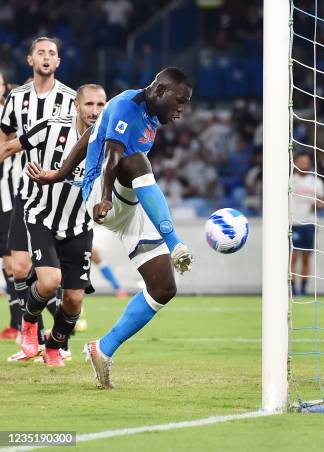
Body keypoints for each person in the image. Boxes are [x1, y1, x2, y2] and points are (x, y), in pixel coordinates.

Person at [27, 67, 193, 388]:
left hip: (129, 204)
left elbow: (91, 135)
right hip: (104, 195)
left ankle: (102, 349)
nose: (182, 109)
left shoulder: (150, 114)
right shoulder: (124, 106)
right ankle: (176, 243)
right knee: (137, 161)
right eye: (179, 101)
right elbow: (113, 153)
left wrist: (60, 172)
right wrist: (102, 196)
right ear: (160, 91)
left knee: (163, 288)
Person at [0, 84, 106, 365]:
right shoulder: (51, 127)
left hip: (79, 225)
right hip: (41, 216)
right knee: (49, 281)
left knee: (73, 300)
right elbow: (10, 146)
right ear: (76, 106)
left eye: (100, 105)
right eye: (89, 105)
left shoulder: (109, 141)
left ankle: (54, 346)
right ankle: (29, 324)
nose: (95, 111)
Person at [0, 37, 76, 348]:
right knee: (19, 267)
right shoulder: (16, 99)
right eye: (40, 53)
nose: (46, 57)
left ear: (58, 62)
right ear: (30, 60)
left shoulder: (72, 99)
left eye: (52, 53)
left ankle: (59, 341)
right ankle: (33, 336)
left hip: (62, 195)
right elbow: (5, 140)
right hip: (25, 191)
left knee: (59, 278)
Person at [0, 69, 20, 340]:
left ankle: (23, 324)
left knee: (15, 262)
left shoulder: (11, 115)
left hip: (9, 196)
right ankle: (16, 323)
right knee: (7, 263)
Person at [290, 152, 324, 296]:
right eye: (301, 162)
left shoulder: (316, 181)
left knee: (306, 257)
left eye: (306, 162)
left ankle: (303, 289)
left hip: (310, 222)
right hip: (293, 222)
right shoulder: (290, 180)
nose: (304, 164)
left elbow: (322, 201)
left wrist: (318, 204)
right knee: (293, 256)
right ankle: (292, 289)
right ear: (296, 163)